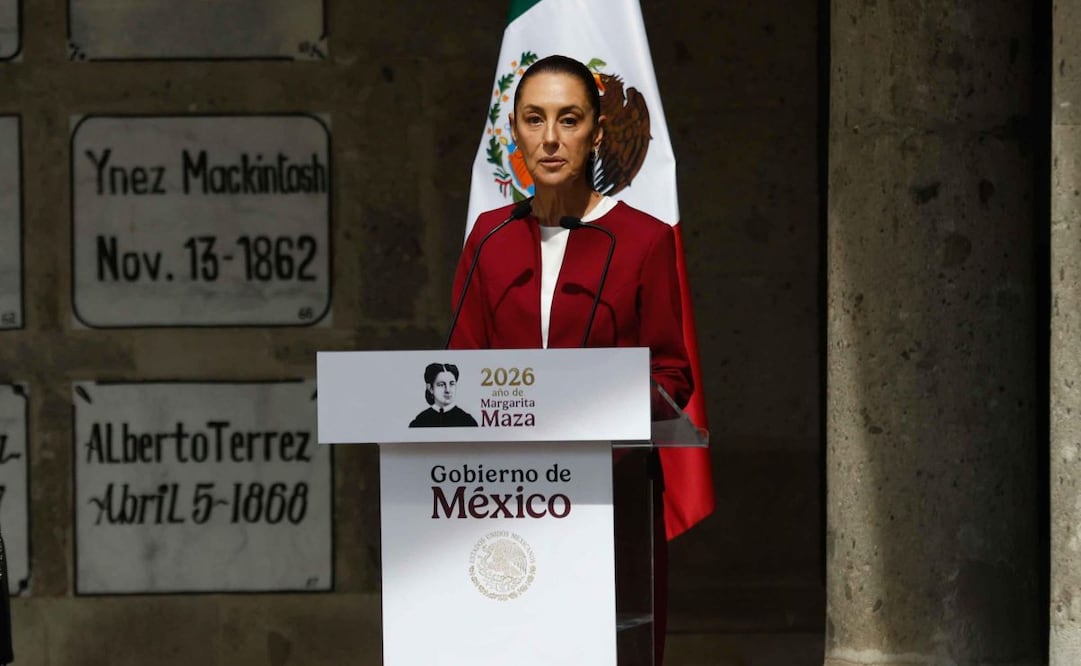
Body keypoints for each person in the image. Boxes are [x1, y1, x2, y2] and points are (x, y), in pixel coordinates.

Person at [449, 54, 691, 664]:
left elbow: (671, 373)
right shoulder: (489, 237)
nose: (551, 138)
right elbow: (458, 366)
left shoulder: (644, 239)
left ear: (597, 132)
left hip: (608, 501)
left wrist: (597, 406)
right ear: (515, 132)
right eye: (535, 120)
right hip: (503, 500)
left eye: (569, 119)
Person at [408, 363, 478, 428]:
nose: (447, 390)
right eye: (441, 385)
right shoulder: (419, 422)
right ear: (430, 388)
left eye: (452, 384)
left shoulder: (468, 421)